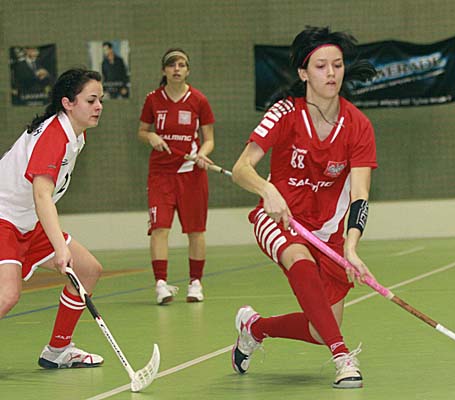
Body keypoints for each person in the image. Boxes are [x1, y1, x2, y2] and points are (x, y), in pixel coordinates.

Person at [230, 26, 378, 389]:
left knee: (319, 327)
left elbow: (360, 194)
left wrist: (351, 247)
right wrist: (267, 190)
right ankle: (343, 357)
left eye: (337, 65)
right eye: (321, 66)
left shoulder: (358, 125)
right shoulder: (284, 114)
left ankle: (254, 328)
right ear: (303, 73)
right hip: (280, 221)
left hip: (328, 232)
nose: (331, 73)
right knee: (301, 261)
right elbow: (241, 169)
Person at [0, 68, 105, 368]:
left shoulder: (75, 134)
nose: (99, 106)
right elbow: (42, 195)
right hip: (4, 218)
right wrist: (60, 248)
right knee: (7, 295)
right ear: (68, 103)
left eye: (101, 100)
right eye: (91, 100)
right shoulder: (55, 136)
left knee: (88, 270)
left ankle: (58, 350)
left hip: (27, 221)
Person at [137, 48, 216, 305]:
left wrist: (202, 154)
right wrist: (151, 136)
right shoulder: (153, 100)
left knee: (196, 230)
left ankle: (196, 283)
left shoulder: (199, 100)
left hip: (191, 174)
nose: (177, 69)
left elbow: (209, 139)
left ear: (188, 70)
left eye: (182, 65)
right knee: (159, 228)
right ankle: (161, 284)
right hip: (160, 174)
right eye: (172, 65)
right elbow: (142, 131)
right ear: (164, 70)